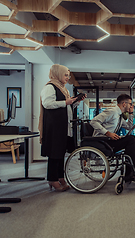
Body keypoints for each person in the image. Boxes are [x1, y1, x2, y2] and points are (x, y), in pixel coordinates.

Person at [39, 64, 86, 192]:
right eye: (65, 75)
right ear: (58, 74)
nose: (67, 77)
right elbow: (47, 104)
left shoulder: (63, 89)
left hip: (62, 126)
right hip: (54, 126)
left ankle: (60, 177)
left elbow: (67, 107)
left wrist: (76, 101)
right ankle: (52, 179)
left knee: (60, 153)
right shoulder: (50, 87)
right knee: (54, 154)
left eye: (68, 75)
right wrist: (66, 102)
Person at [90, 94, 135, 180]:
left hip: (109, 141)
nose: (131, 106)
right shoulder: (112, 111)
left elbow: (128, 127)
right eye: (130, 104)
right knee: (131, 140)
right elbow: (93, 121)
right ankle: (134, 168)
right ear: (124, 104)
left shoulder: (119, 115)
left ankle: (133, 168)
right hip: (102, 141)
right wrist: (108, 133)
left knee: (131, 138)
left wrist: (131, 114)